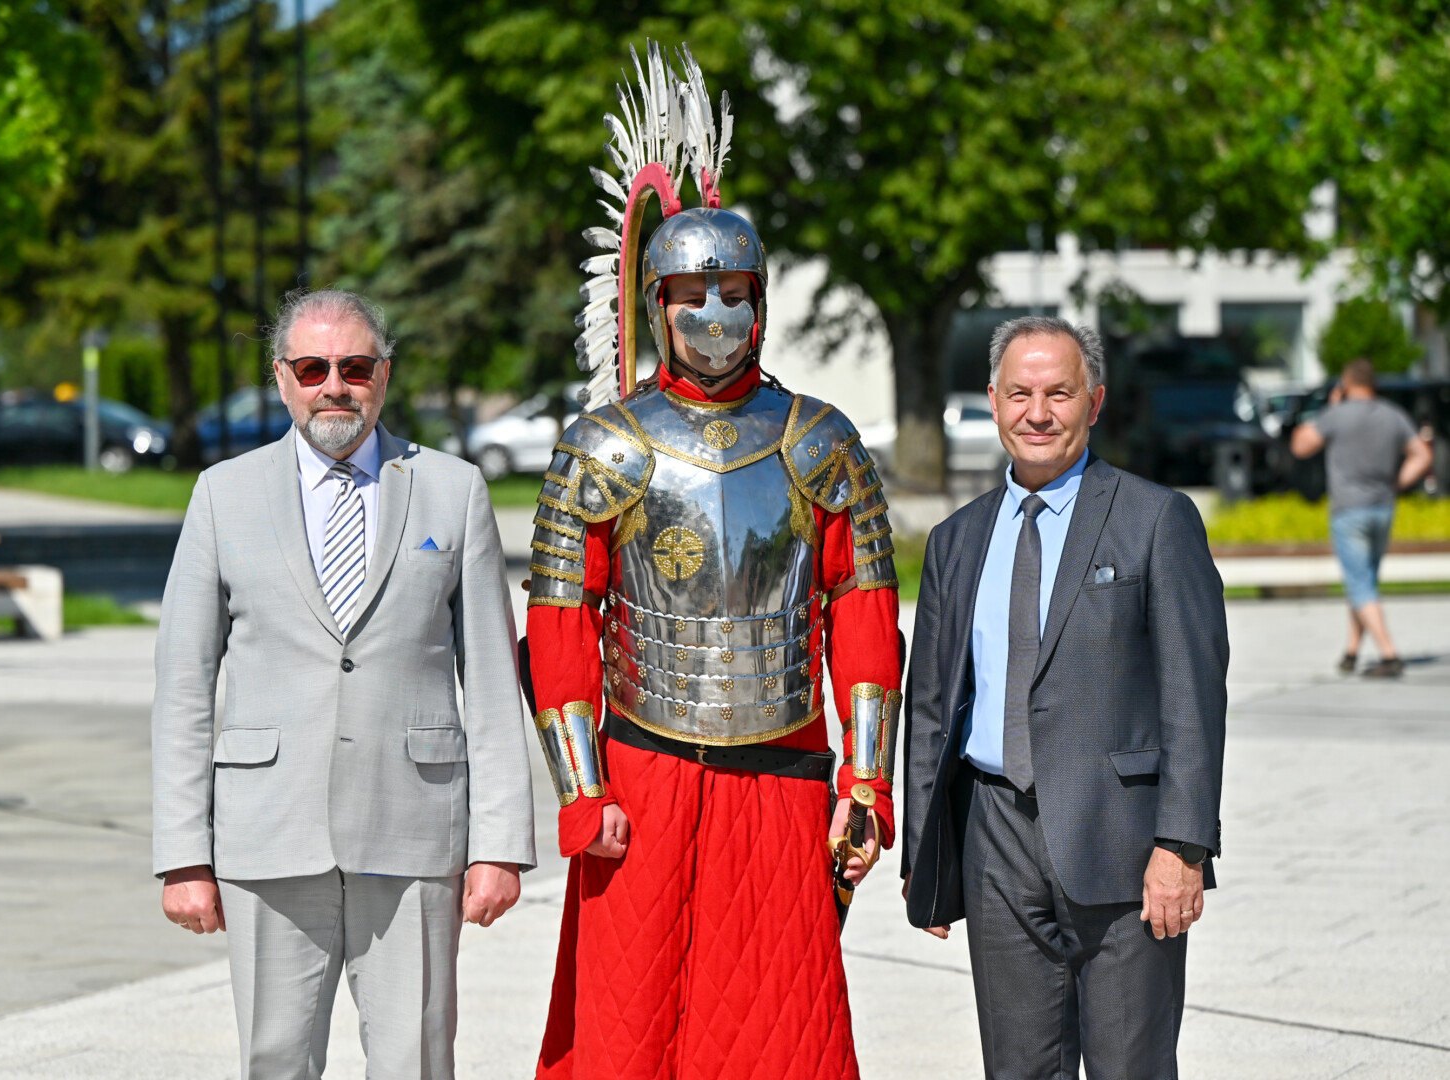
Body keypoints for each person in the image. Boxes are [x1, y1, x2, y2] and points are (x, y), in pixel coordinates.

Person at [528, 44, 903, 1080]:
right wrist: (581, 788)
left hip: (784, 768)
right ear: (655, 304)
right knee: (628, 1018)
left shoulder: (821, 440)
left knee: (779, 1023)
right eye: (691, 294)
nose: (714, 315)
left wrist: (866, 778)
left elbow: (863, 614)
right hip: (642, 772)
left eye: (733, 291)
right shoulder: (603, 446)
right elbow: (559, 626)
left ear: (761, 299)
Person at [151, 288, 536, 1080]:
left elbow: (494, 683)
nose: (335, 385)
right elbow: (184, 687)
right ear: (281, 378)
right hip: (268, 833)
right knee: (276, 1061)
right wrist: (183, 854)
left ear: (383, 375)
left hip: (414, 829)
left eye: (355, 368)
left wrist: (500, 846)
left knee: (416, 1062)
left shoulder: (453, 489)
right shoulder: (221, 494)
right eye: (313, 368)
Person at [901, 316, 1228, 1079]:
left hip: (1123, 844)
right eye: (1020, 394)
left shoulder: (1156, 520)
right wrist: (926, 846)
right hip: (994, 838)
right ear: (993, 401)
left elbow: (1193, 696)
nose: (1038, 413)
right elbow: (931, 707)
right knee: (1017, 1068)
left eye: (1059, 393)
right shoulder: (956, 540)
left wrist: (1182, 847)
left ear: (1094, 401)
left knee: (1130, 1067)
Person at [1290, 358, 1434, 678]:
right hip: (1383, 508)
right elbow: (1423, 455)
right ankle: (1351, 651)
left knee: (1359, 582)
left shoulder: (1336, 415)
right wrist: (1397, 482)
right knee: (1364, 580)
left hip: (1349, 510)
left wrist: (1328, 409)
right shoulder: (1392, 414)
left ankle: (1389, 654)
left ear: (1345, 384)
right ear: (1374, 383)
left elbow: (1300, 446)